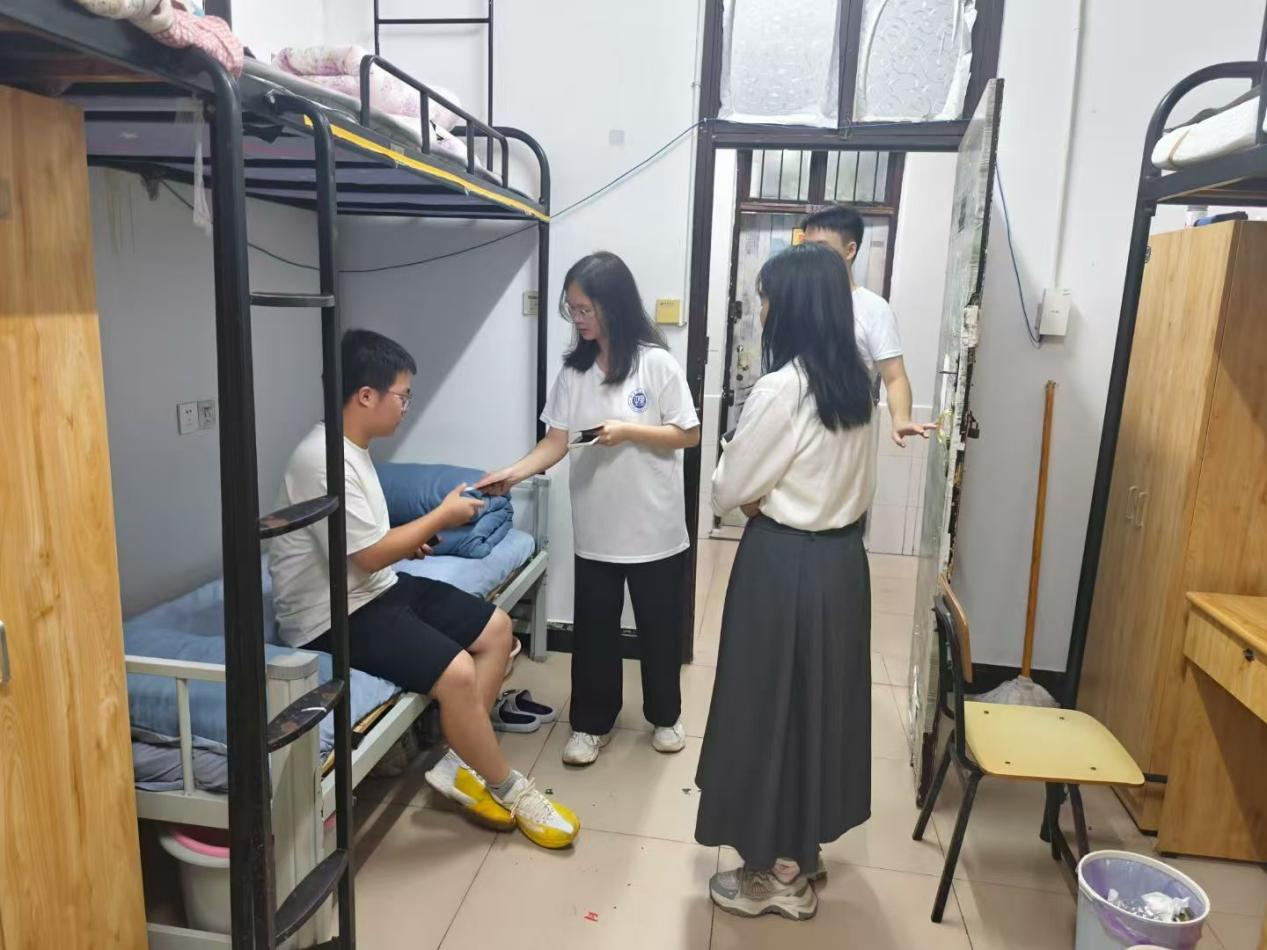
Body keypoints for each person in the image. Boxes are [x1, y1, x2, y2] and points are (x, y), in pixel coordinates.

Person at [269, 328, 579, 849]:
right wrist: (440, 516)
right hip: (329, 615)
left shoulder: (352, 450)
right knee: (456, 671)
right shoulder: (320, 459)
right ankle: (508, 787)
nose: (406, 407)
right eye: (403, 395)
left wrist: (408, 542)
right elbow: (367, 554)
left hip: (374, 587)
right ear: (365, 395)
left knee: (498, 629)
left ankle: (460, 764)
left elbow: (364, 546)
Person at [694, 243, 877, 921]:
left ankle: (774, 875)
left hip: (782, 564)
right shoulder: (856, 385)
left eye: (766, 298)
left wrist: (751, 492)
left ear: (792, 307)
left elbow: (727, 490)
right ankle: (802, 849)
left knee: (765, 710)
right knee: (818, 707)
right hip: (841, 565)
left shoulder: (783, 389)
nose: (762, 311)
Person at [478, 251, 701, 767]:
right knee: (595, 632)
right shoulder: (573, 373)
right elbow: (555, 442)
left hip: (655, 528)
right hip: (598, 528)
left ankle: (665, 716)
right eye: (572, 309)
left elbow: (687, 434)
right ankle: (590, 725)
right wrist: (514, 472)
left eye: (585, 309)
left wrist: (629, 432)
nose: (577, 319)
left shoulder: (655, 363)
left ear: (613, 305)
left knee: (658, 629)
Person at [801, 204, 933, 446]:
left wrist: (901, 418)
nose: (812, 258)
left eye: (821, 248)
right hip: (796, 431)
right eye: (807, 249)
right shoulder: (797, 302)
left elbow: (895, 377)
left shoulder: (874, 309)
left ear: (850, 250)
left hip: (843, 436)